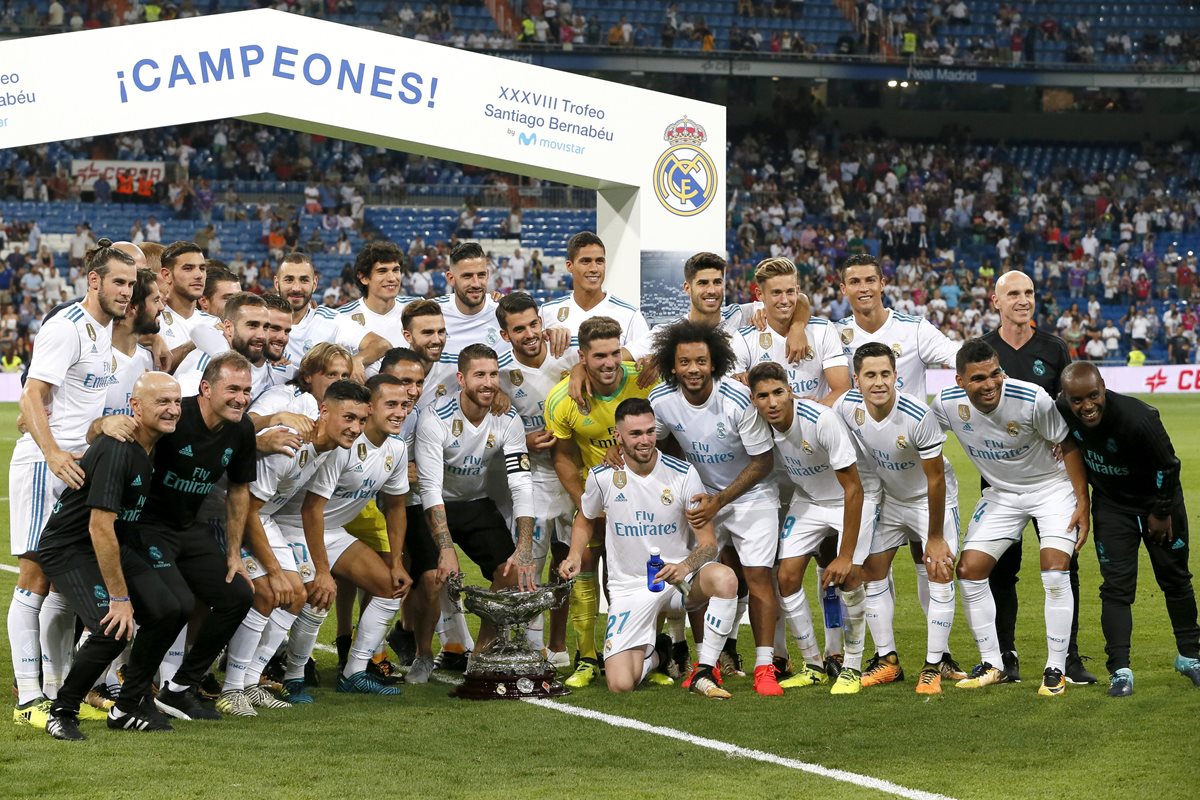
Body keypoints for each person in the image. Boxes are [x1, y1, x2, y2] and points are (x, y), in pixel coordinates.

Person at [9, 241, 136, 728]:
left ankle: (57, 685)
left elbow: (78, 408)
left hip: (79, 467)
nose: (126, 291)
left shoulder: (104, 334)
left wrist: (97, 433)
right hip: (48, 468)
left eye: (131, 283)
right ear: (94, 281)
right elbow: (32, 396)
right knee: (35, 578)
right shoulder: (66, 328)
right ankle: (27, 700)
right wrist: (53, 452)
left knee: (64, 585)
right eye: (118, 282)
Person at [932, 339, 1090, 697]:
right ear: (960, 381)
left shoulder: (1031, 398)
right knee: (970, 570)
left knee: (1054, 567)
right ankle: (993, 664)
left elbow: (1067, 444)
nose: (989, 385)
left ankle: (1055, 668)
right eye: (978, 379)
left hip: (1052, 489)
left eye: (995, 374)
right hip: (1002, 495)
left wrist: (1083, 501)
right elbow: (920, 439)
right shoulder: (945, 404)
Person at [37, 373, 187, 740]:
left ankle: (128, 705)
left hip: (114, 541)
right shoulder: (119, 447)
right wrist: (120, 599)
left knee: (173, 609)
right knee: (113, 627)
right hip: (71, 547)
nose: (172, 410)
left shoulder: (155, 442)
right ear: (135, 406)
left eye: (177, 402)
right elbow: (98, 527)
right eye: (162, 402)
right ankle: (62, 709)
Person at [559, 398, 740, 699]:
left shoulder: (683, 474)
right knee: (620, 683)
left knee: (725, 578)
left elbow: (708, 543)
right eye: (635, 434)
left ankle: (704, 669)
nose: (644, 440)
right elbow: (585, 518)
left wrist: (684, 567)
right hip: (630, 587)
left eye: (649, 432)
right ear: (618, 436)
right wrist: (574, 555)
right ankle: (659, 653)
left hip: (679, 583)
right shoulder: (602, 478)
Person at [217, 379, 371, 715]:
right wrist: (274, 570)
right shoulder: (289, 445)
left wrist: (318, 570)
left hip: (266, 518)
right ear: (324, 411)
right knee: (269, 592)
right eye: (348, 418)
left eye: (361, 420)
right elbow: (248, 510)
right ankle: (231, 689)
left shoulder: (333, 451)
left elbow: (305, 508)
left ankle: (252, 681)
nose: (355, 428)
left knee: (298, 595)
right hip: (233, 516)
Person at [647, 321, 781, 695]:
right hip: (702, 500)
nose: (693, 369)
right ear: (672, 365)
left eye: (701, 361)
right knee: (702, 582)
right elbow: (656, 444)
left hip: (752, 497)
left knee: (757, 579)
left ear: (714, 363)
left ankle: (764, 666)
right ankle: (709, 665)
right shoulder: (662, 399)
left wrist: (720, 500)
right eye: (685, 362)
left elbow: (763, 462)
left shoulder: (738, 400)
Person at [1057, 363, 1200, 696]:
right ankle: (1120, 670)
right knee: (1117, 588)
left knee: (1176, 578)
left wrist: (1161, 512)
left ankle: (1190, 656)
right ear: (1066, 398)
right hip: (1113, 508)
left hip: (1158, 506)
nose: (1087, 406)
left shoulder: (1139, 417)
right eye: (1078, 400)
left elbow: (1169, 465)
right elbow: (1060, 437)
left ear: (1104, 387)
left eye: (1093, 395)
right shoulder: (1061, 410)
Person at [981, 270, 1093, 684]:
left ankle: (1070, 658)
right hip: (1002, 480)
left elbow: (1071, 407)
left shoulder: (1054, 347)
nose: (1023, 299)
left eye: (1028, 292)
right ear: (997, 301)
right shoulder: (984, 350)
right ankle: (1004, 657)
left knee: (1065, 568)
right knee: (999, 568)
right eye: (1013, 293)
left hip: (1052, 480)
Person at [133, 352, 258, 721]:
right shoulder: (175, 415)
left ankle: (180, 688)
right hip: (147, 526)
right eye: (232, 389)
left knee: (237, 595)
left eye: (246, 390)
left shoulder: (242, 428)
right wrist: (102, 427)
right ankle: (134, 693)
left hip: (189, 529)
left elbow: (239, 491)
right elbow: (126, 436)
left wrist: (233, 554)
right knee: (177, 605)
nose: (241, 398)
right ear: (206, 388)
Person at [836, 343, 965, 694]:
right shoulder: (847, 408)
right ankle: (887, 661)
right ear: (856, 380)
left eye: (885, 374)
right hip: (891, 498)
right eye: (870, 375)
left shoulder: (916, 415)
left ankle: (934, 665)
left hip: (928, 499)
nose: (879, 382)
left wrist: (935, 537)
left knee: (939, 570)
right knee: (872, 572)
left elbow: (936, 478)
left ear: (896, 376)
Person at [545, 316, 655, 687]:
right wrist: (586, 504)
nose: (609, 363)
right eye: (599, 356)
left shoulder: (643, 381)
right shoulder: (563, 398)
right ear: (583, 357)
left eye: (614, 353)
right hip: (594, 496)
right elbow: (561, 456)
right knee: (585, 570)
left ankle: (633, 650)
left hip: (641, 498)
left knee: (630, 578)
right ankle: (586, 658)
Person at [748, 362, 869, 695]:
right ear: (754, 400)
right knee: (786, 577)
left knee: (850, 575)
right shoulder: (758, 424)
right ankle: (813, 663)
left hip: (850, 498)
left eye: (777, 393)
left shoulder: (821, 420)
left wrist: (846, 555)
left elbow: (854, 488)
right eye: (763, 396)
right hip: (809, 501)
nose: (771, 402)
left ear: (790, 391)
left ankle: (853, 667)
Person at [289, 376, 414, 695]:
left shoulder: (397, 449)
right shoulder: (344, 445)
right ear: (371, 408)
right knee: (318, 597)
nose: (400, 412)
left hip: (333, 531)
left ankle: (354, 671)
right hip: (298, 530)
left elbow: (396, 507)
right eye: (391, 405)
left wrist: (397, 562)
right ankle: (292, 676)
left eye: (404, 405)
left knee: (389, 587)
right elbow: (311, 509)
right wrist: (321, 569)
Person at [413, 345, 538, 659]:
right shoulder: (435, 417)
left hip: (475, 503)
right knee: (432, 578)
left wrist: (524, 549)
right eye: (479, 374)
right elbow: (429, 488)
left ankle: (482, 653)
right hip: (433, 504)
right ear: (461, 378)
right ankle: (424, 655)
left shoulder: (507, 418)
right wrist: (445, 547)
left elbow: (522, 483)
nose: (488, 382)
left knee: (509, 572)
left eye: (493, 374)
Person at [495, 293, 579, 670]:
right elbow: (490, 434)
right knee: (531, 560)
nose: (529, 334)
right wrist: (522, 441)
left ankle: (558, 646)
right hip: (532, 477)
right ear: (504, 334)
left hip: (577, 473)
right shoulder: (498, 375)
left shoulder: (568, 354)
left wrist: (577, 370)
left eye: (533, 324)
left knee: (568, 561)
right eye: (518, 329)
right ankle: (530, 647)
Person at [731, 256, 849, 405]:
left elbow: (842, 390)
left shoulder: (823, 330)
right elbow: (738, 396)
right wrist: (798, 405)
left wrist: (808, 415)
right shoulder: (744, 339)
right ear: (760, 294)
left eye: (790, 292)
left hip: (814, 424)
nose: (785, 300)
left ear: (798, 291)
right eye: (776, 293)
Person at [540, 231, 649, 347]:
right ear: (569, 266)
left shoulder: (630, 315)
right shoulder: (547, 312)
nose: (594, 268)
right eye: (586, 261)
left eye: (599, 261)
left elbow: (646, 360)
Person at [104, 269, 162, 417]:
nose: (161, 307)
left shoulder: (150, 359)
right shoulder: (94, 356)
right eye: (155, 300)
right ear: (133, 307)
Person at [155, 241, 208, 371]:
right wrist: (198, 342)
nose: (199, 275)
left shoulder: (214, 323)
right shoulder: (153, 322)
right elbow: (156, 369)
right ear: (167, 275)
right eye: (188, 268)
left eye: (202, 268)